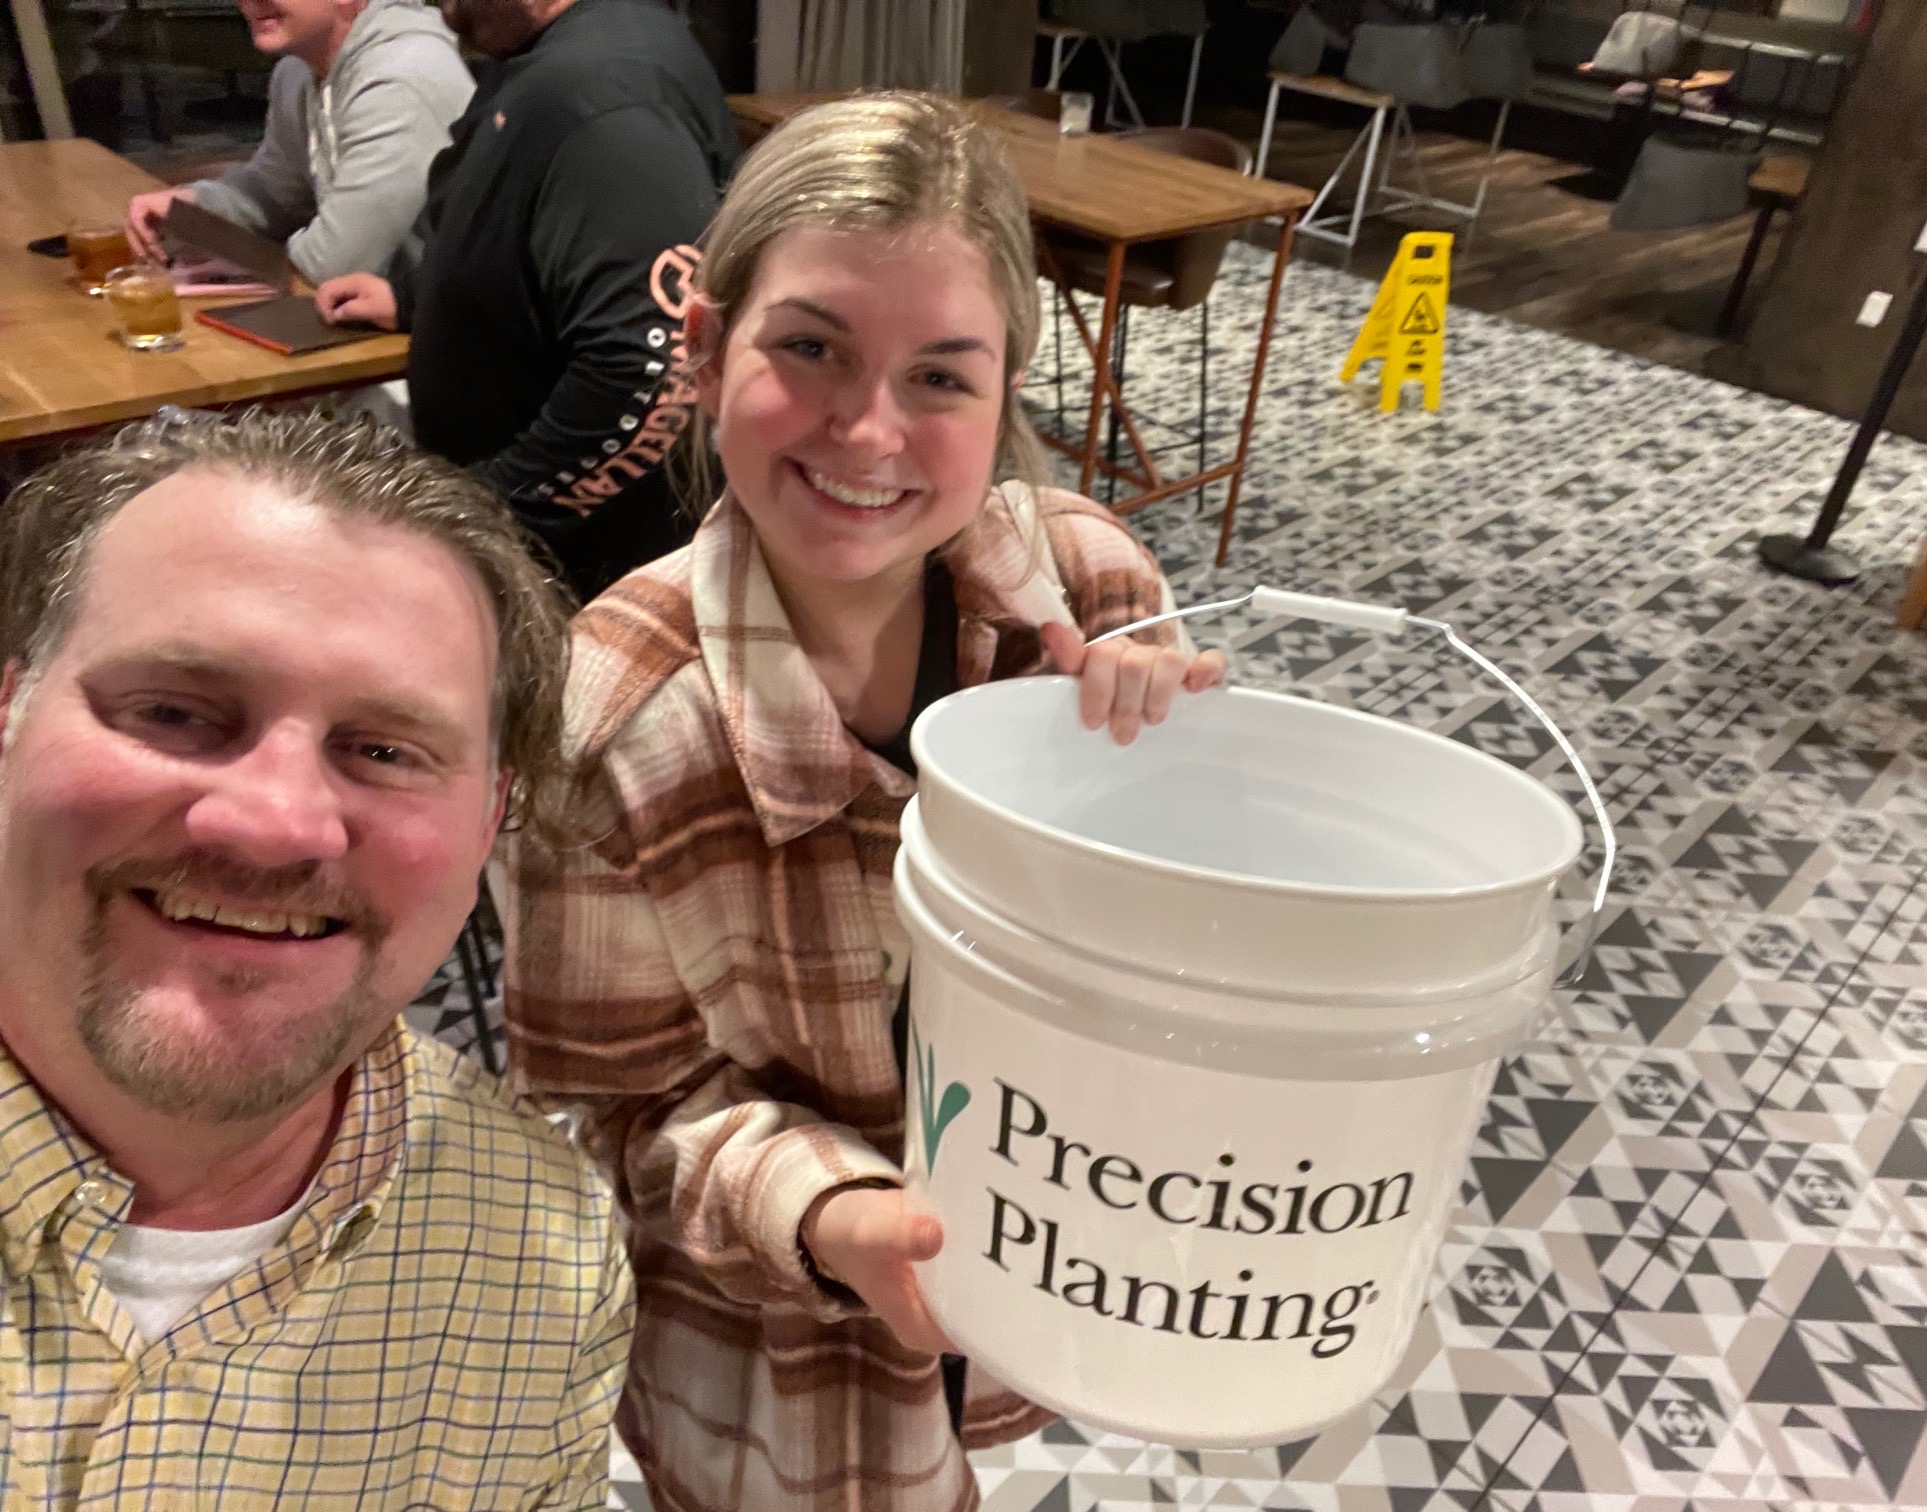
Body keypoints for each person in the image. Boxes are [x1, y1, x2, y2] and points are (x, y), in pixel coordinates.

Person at [504, 93, 1226, 1512]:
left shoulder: (1089, 587)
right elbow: (622, 1112)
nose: (870, 429)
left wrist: (1184, 780)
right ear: (705, 350)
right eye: (812, 348)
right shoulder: (610, 729)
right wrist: (829, 1213)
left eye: (941, 376)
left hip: (1041, 1236)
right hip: (779, 1348)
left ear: (1004, 394)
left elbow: (1168, 951)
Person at [0, 410, 632, 1508]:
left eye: (384, 750)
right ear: (9, 715)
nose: (275, 825)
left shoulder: (545, 1252)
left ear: (492, 819)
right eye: (174, 711)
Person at [315, 0, 741, 603]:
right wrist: (414, 297)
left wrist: (473, 517)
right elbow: (531, 229)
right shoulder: (548, 57)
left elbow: (649, 372)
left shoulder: (601, 95)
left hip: (575, 582)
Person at [125, 0, 473, 284]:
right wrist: (187, 209)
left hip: (437, 335)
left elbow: (340, 264)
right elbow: (277, 197)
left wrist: (252, 262)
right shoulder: (296, 71)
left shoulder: (401, 76)